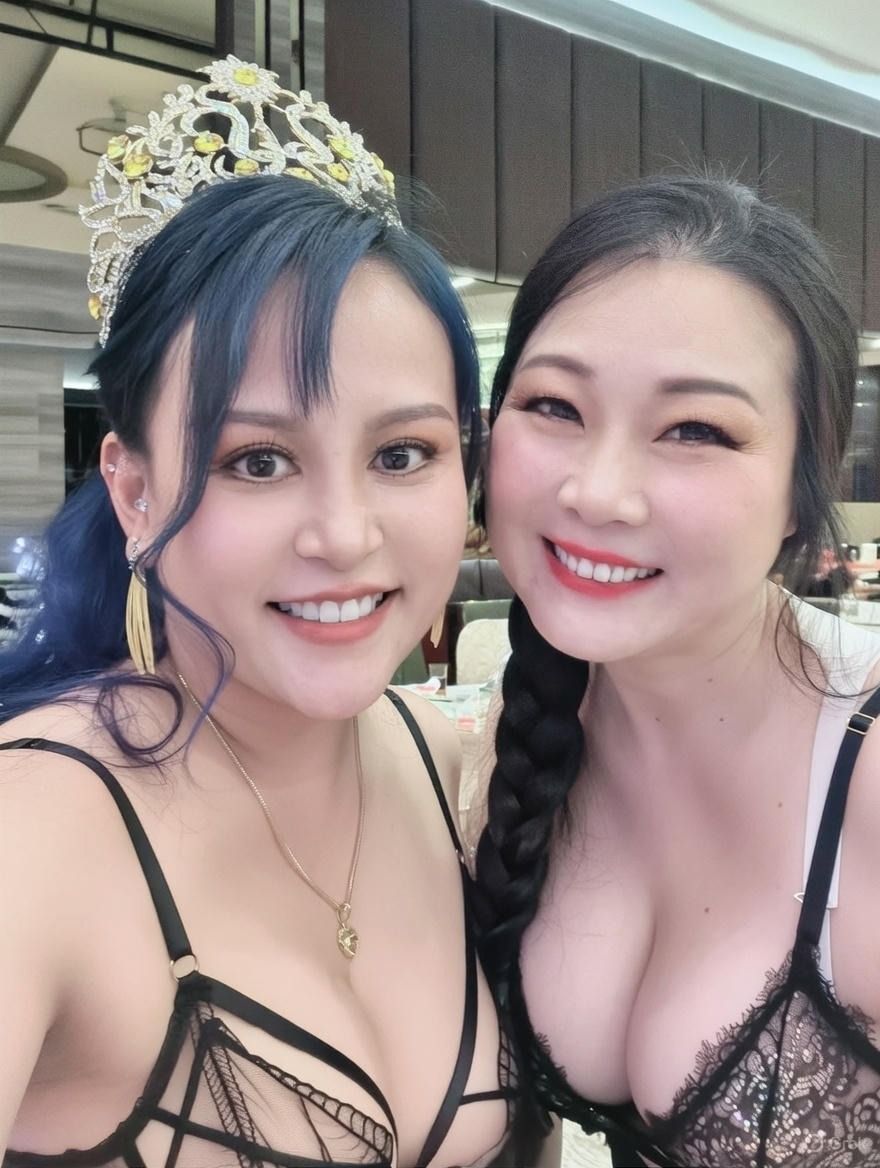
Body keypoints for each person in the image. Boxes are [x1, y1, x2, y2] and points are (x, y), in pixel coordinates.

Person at [0, 57, 520, 1167]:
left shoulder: (442, 766)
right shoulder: (33, 826)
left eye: (402, 453)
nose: (343, 533)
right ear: (134, 493)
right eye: (259, 460)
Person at [473, 174, 880, 1167]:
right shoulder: (512, 742)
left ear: (803, 484)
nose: (598, 491)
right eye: (554, 405)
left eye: (695, 429)